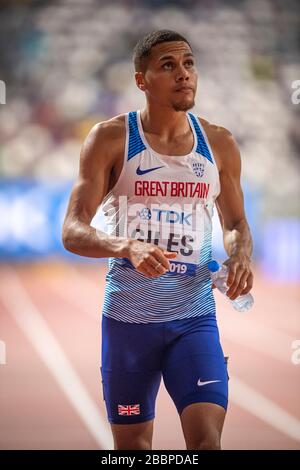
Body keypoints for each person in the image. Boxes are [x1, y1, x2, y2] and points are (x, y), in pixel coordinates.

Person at [62, 29, 253, 450]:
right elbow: (73, 231)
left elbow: (236, 222)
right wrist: (126, 246)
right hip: (128, 322)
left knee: (206, 444)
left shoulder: (218, 143)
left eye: (188, 63)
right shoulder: (111, 138)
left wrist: (240, 255)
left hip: (194, 317)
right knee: (133, 451)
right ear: (141, 80)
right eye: (168, 65)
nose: (184, 74)